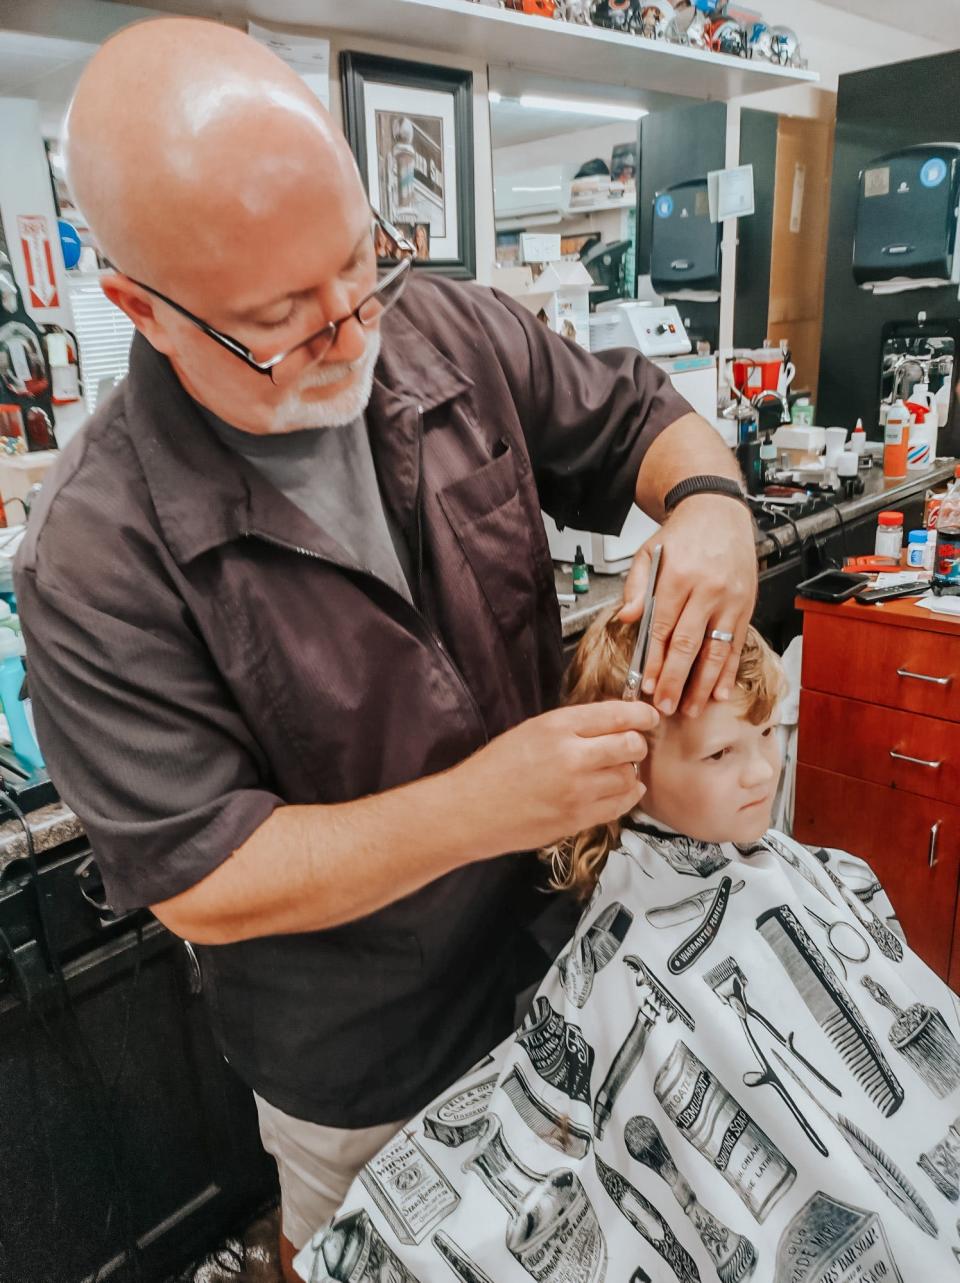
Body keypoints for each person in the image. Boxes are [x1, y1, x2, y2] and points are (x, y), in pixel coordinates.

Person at [13, 19, 757, 1277]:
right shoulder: (93, 555)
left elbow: (642, 417)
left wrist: (713, 510)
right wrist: (478, 808)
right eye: (285, 323)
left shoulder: (445, 333)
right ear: (141, 306)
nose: (353, 334)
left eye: (362, 267)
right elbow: (203, 870)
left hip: (569, 958)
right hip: (364, 1066)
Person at [295, 611, 960, 1283]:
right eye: (720, 753)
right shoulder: (629, 953)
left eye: (765, 732)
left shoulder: (797, 868)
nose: (763, 770)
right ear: (626, 766)